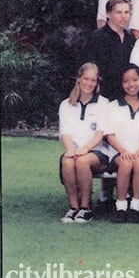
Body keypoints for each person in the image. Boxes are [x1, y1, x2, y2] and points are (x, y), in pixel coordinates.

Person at [58, 63, 110, 223]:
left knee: (82, 161)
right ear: (79, 79)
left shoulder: (103, 103)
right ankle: (74, 208)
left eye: (93, 80)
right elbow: (65, 132)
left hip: (98, 152)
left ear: (97, 82)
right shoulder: (66, 105)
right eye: (86, 79)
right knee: (67, 162)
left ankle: (86, 208)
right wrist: (69, 149)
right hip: (74, 150)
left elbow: (100, 133)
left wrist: (86, 148)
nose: (89, 83)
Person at [104, 64, 139, 223]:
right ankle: (121, 206)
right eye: (126, 81)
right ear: (121, 83)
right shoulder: (112, 106)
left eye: (135, 80)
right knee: (125, 164)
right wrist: (123, 151)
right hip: (119, 152)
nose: (131, 84)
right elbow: (110, 135)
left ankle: (135, 206)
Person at [84, 0, 136, 102]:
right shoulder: (96, 37)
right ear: (108, 14)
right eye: (118, 12)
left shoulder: (130, 38)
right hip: (103, 97)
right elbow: (90, 69)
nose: (123, 16)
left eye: (126, 12)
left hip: (125, 96)